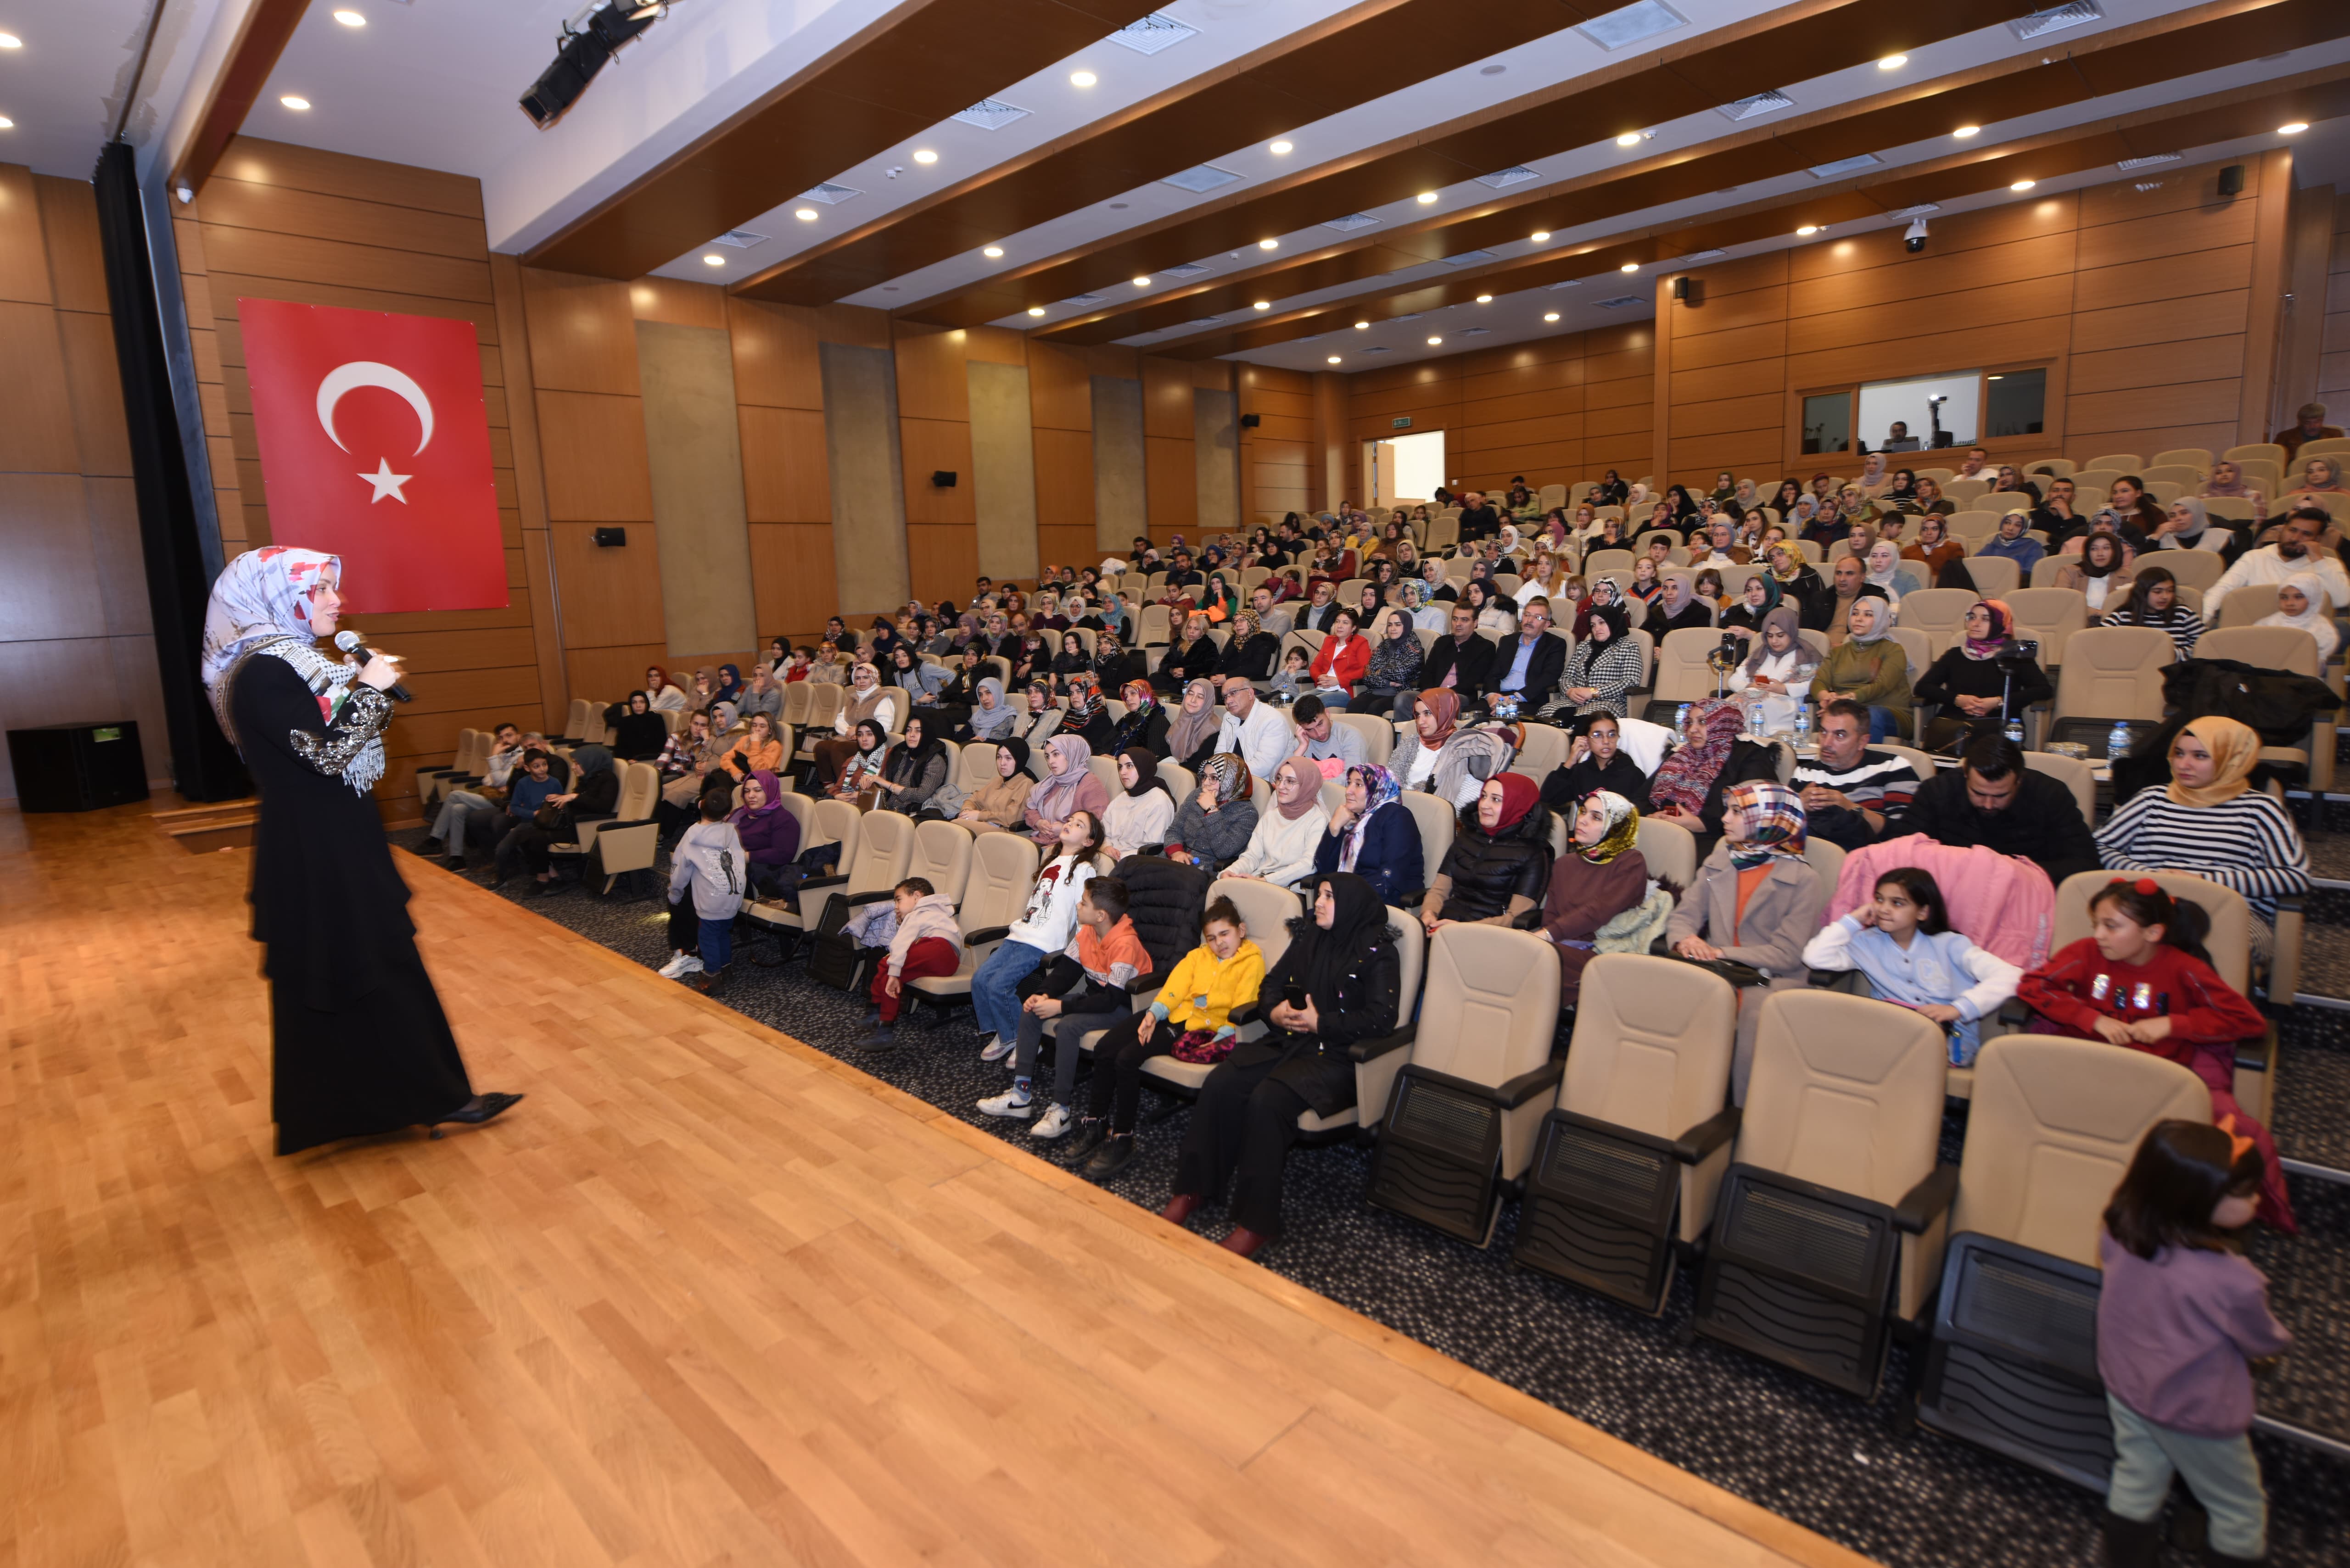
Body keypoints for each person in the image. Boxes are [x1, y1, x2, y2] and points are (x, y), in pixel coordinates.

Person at [200, 547, 520, 1150]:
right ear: (272, 597)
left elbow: (331, 744)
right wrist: (369, 691)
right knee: (364, 973)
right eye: (319, 589)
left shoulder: (292, 665)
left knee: (367, 975)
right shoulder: (264, 672)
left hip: (334, 844)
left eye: (332, 588)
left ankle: (399, 1101)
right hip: (317, 856)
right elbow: (327, 754)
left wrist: (360, 688)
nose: (335, 599)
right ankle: (424, 1099)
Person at [2021, 880, 2294, 1233]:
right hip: (2093, 1067)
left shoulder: (2185, 968)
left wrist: (2173, 1024)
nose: (2100, 935)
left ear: (2153, 932)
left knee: (2234, 1126)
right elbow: (2033, 985)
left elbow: (2246, 1020)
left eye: (2112, 926)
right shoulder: (2086, 952)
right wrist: (2092, 1018)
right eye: (2097, 925)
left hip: (2157, 1075)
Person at [1162, 873, 1402, 1256]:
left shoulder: (1377, 950)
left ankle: (1257, 1223)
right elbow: (1272, 983)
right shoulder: (1310, 935)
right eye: (1318, 894)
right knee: (1222, 1083)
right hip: (1290, 1039)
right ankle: (1194, 1187)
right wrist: (1275, 1011)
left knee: (1267, 1102)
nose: (1318, 902)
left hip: (1339, 1056)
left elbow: (1381, 1018)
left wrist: (1321, 1022)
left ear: (1352, 905)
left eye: (1328, 896)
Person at [2093, 1121, 2292, 1568]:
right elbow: (2262, 1340)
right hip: (2194, 1409)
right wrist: (2280, 1339)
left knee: (2136, 1477)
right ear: (2195, 1200)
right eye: (2243, 1194)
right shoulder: (2232, 1280)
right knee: (2238, 1506)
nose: (2256, 1199)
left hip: (2126, 1386)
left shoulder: (2118, 1230)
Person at [1067, 897, 1266, 1181]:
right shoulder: (1199, 956)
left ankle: (1123, 1138)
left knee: (1127, 1059)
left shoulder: (1252, 962)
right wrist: (1153, 1014)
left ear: (1241, 931)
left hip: (1197, 1027)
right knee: (1106, 1047)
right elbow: (1175, 987)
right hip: (1171, 1014)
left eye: (1225, 934)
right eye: (1211, 938)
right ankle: (1096, 1124)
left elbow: (1244, 1004)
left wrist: (1222, 1038)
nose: (1219, 943)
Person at [1667, 781, 1824, 1100]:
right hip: (1717, 969)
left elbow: (1787, 954)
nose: (1724, 819)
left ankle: (1744, 1112)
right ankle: (1678, 1101)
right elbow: (1684, 917)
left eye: (1737, 812)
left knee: (1753, 1012)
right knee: (1665, 989)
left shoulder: (1805, 879)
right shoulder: (1721, 858)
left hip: (1771, 980)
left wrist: (1719, 951)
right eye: (1728, 810)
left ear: (1769, 819)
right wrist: (1686, 941)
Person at [2096, 717, 2310, 949]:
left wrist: (2203, 881)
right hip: (2152, 905)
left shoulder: (2260, 809)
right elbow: (2099, 846)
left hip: (2227, 910)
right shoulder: (2153, 798)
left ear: (2232, 759)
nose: (2183, 765)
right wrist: (2148, 875)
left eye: (2200, 756)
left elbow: (2294, 876)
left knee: (2189, 944)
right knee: (2114, 934)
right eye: (2179, 753)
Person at [977, 875, 1153, 1138]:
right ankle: (1020, 1096)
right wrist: (1043, 994)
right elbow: (1066, 973)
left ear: (1101, 915)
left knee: (1068, 1026)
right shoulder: (1087, 933)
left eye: (1083, 903)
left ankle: (1061, 1110)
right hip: (1096, 1001)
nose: (1078, 907)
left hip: (1125, 1010)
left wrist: (1060, 1007)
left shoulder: (1125, 944)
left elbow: (1111, 1000)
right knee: (1033, 1008)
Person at [1802, 867, 2021, 1066]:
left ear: (1923, 912)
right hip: (1890, 1032)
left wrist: (1959, 1009)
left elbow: (2012, 976)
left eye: (1897, 903)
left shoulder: (1950, 944)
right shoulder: (1867, 942)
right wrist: (1853, 920)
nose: (1884, 909)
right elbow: (1815, 957)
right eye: (1879, 900)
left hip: (1946, 1040)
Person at [971, 809, 1104, 1062]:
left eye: (1079, 825)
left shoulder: (1084, 869)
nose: (1070, 825)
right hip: (1020, 933)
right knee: (980, 980)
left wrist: (1076, 952)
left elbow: (1082, 914)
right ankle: (1006, 1032)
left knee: (999, 985)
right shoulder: (1051, 860)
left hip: (1042, 942)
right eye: (1069, 821)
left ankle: (1021, 1038)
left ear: (1088, 842)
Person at [1903, 732, 2100, 886]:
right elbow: (1904, 852)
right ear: (1965, 775)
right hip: (1949, 898)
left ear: (2019, 781)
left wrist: (2014, 870)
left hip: (2027, 897)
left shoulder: (2051, 795)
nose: (1988, 805)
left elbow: (2084, 864)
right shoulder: (1937, 791)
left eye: (2000, 796)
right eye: (1979, 793)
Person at [1539, 790, 1649, 1004]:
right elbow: (1550, 915)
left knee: (1532, 960)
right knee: (1517, 954)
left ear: (1616, 826)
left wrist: (1547, 936)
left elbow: (1599, 911)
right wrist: (1547, 936)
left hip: (1605, 950)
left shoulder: (1631, 862)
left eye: (1596, 817)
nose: (1583, 820)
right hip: (1562, 946)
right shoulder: (1565, 863)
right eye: (1583, 812)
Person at [1420, 772, 1550, 934]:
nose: (1484, 805)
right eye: (1484, 796)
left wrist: (1462, 929)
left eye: (1496, 800)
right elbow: (1439, 891)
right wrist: (1429, 914)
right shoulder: (1467, 836)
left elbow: (1516, 917)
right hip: (1447, 924)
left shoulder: (1533, 854)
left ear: (1517, 805)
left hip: (1491, 936)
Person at [1913, 599, 2051, 750]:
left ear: (2001, 624)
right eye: (1972, 617)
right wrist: (1957, 699)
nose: (1975, 623)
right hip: (1953, 727)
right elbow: (1923, 687)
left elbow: (2044, 690)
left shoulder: (2014, 656)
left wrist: (1999, 702)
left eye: (1985, 619)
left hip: (1998, 724)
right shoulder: (1955, 655)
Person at [1644, 697, 1780, 849]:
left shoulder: (1749, 756)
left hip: (1716, 840)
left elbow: (1755, 810)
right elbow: (1641, 798)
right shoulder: (1680, 756)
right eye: (1689, 722)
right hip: (1663, 833)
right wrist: (1651, 817)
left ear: (1723, 723)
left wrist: (1702, 825)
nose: (1692, 729)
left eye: (1702, 722)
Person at [1791, 698, 1920, 851]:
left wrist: (1850, 808)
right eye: (1823, 732)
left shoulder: (1893, 767)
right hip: (1813, 861)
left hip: (1871, 860)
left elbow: (1906, 833)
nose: (1826, 743)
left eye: (1840, 735)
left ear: (1863, 741)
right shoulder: (1805, 773)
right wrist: (1797, 806)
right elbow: (1778, 829)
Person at [660, 789, 747, 996]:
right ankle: (726, 968)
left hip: (711, 898)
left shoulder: (692, 835)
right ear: (728, 814)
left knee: (708, 936)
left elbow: (680, 871)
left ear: (700, 805)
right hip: (734, 894)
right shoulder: (732, 830)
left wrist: (675, 895)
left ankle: (711, 978)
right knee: (724, 932)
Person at [2206, 506, 2347, 618]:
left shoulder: (2329, 565)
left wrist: (2318, 561)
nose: (2296, 538)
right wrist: (2202, 620)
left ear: (2318, 539)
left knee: (2342, 629)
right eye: (2292, 530)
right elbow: (2221, 590)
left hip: (2306, 631)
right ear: (2282, 530)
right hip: (2256, 626)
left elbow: (2342, 600)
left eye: (2306, 534)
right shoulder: (2254, 558)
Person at [1313, 762, 1423, 904]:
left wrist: (1343, 897)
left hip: (1381, 905)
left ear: (1378, 788)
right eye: (1349, 783)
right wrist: (1334, 828)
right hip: (1344, 900)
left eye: (1359, 785)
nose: (1348, 791)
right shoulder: (1350, 818)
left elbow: (1389, 879)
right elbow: (1324, 869)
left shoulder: (1397, 816)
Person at [1219, 757, 1331, 889]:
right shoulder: (1271, 816)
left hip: (1289, 890)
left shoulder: (1317, 820)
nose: (1281, 786)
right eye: (1279, 779)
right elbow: (1251, 857)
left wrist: (1267, 880)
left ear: (1307, 786)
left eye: (1290, 781)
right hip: (1258, 882)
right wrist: (1230, 872)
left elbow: (1308, 865)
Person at [1811, 595, 1911, 741]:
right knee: (1834, 717)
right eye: (1855, 613)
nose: (1859, 619)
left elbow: (1881, 686)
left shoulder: (1894, 650)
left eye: (1868, 615)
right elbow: (1819, 681)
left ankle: (1867, 763)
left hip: (1889, 712)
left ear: (1881, 619)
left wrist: (1846, 700)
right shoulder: (1838, 652)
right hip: (1845, 710)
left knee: (1870, 715)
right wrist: (1826, 698)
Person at [1540, 710, 1655, 814]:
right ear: (1586, 740)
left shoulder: (1632, 774)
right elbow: (1548, 799)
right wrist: (1570, 762)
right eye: (1598, 735)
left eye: (1612, 735)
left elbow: (1641, 813)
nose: (1606, 741)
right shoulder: (1581, 772)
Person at [1725, 606, 1815, 733]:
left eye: (1780, 636)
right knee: (1726, 707)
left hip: (1788, 706)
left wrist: (1784, 689)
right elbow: (1733, 680)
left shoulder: (1805, 655)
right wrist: (1751, 685)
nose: (1774, 641)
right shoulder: (1760, 654)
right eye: (1770, 636)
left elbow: (1815, 685)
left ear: (1792, 632)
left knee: (1757, 706)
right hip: (1756, 700)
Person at [1164, 753, 1259, 874]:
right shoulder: (1196, 795)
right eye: (1204, 776)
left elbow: (1224, 852)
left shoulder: (1247, 813)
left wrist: (1212, 810)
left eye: (1214, 778)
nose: (1206, 783)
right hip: (1175, 861)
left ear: (1230, 780)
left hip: (1204, 871)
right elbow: (1174, 830)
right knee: (1135, 866)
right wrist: (1176, 852)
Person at [1023, 734, 1110, 850]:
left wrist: (1065, 828)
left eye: (1056, 754)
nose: (1051, 762)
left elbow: (1095, 826)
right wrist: (1039, 822)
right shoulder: (1053, 780)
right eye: (1048, 757)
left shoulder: (1091, 785)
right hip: (1041, 842)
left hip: (1070, 848)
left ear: (1072, 754)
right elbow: (1030, 808)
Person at [2100, 567, 2206, 661]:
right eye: (2157, 592)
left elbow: (2205, 645)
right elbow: (2097, 640)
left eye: (2170, 591)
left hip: (2175, 673)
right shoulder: (2122, 615)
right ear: (2142, 593)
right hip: (2131, 670)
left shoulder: (2183, 614)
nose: (2165, 597)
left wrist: (2172, 655)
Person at [1558, 601, 1643, 717]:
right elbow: (1567, 677)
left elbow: (1630, 681)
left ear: (1613, 623)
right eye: (1593, 625)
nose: (1597, 628)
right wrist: (1570, 691)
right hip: (1575, 701)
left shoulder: (1628, 647)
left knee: (1585, 719)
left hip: (1609, 703)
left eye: (1602, 623)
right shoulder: (1584, 646)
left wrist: (1594, 692)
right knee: (1546, 713)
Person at [727, 767, 800, 901]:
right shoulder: (740, 814)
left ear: (770, 791)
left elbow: (783, 854)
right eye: (747, 791)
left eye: (758, 790)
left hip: (752, 872)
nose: (751, 796)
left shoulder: (783, 819)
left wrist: (747, 856)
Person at [1411, 601, 1497, 711]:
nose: (1458, 624)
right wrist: (1429, 691)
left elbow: (1473, 681)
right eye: (1455, 619)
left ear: (1475, 623)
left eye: (1464, 620)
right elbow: (1428, 672)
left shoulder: (1485, 647)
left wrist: (1442, 694)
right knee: (1404, 698)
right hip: (1432, 694)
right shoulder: (1442, 642)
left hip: (1461, 696)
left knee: (1446, 700)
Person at [1208, 680, 1293, 783]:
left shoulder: (1272, 719)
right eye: (1225, 697)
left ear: (1250, 693)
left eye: (1233, 693)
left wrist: (1227, 776)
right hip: (1231, 780)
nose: (1228, 701)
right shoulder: (1229, 717)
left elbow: (1263, 766)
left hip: (1261, 784)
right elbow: (1219, 754)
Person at [1489, 598, 1565, 711]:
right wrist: (1491, 696)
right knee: (1469, 716)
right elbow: (1492, 674)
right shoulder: (1507, 641)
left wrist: (1513, 699)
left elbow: (1549, 678)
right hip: (1499, 697)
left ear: (1546, 625)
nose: (1530, 620)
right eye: (1527, 615)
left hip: (1528, 700)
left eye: (1537, 617)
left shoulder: (1555, 644)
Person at [872, 712, 951, 816]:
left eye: (918, 731)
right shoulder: (901, 753)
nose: (912, 735)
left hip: (912, 814)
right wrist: (870, 786)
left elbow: (921, 795)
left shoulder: (935, 760)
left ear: (927, 734)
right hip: (888, 810)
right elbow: (883, 784)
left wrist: (889, 785)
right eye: (909, 730)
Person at [1102, 747, 1176, 859]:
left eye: (1129, 766)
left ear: (1143, 768)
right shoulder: (1122, 798)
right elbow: (1104, 830)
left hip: (1135, 862)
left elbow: (1152, 848)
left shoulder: (1159, 802)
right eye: (1120, 767)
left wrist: (1116, 857)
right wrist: (1106, 847)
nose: (1123, 772)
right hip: (1109, 856)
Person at [955, 738, 1036, 835]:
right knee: (956, 826)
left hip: (1005, 832)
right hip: (987, 826)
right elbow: (974, 799)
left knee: (956, 827)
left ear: (1019, 760)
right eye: (999, 757)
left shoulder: (1026, 784)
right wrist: (966, 811)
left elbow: (1011, 818)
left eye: (1008, 758)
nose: (1002, 763)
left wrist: (980, 816)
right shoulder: (998, 780)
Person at [1358, 601, 1427, 714]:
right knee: (1355, 704)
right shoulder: (1383, 645)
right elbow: (1367, 675)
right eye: (1390, 625)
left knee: (1375, 708)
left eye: (1398, 625)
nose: (1393, 628)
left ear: (1407, 625)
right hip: (1376, 691)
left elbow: (1400, 674)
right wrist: (1388, 682)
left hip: (1399, 693)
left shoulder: (1415, 648)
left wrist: (1379, 672)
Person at [2257, 573, 2339, 661]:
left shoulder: (2324, 630)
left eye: (2299, 597)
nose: (2290, 603)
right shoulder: (2266, 624)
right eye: (2284, 598)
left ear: (2312, 598)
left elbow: (2318, 664)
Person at [2053, 532, 2133, 614]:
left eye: (2106, 548)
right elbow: (2061, 603)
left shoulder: (2125, 575)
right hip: (2076, 624)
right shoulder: (2069, 572)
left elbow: (2129, 608)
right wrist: (2098, 613)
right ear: (2087, 552)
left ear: (2115, 551)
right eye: (2094, 549)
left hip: (2112, 625)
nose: (2100, 554)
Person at [1308, 607, 1371, 706]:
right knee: (1299, 701)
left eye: (1345, 623)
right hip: (1323, 688)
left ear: (1354, 628)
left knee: (1314, 704)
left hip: (1345, 691)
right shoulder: (1329, 641)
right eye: (1338, 622)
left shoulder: (1361, 643)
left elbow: (1365, 670)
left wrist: (1338, 680)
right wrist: (1319, 677)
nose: (1340, 626)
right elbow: (1315, 666)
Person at [1163, 678, 1220, 768]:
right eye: (1190, 694)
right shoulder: (1181, 720)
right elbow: (1165, 753)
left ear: (1208, 701)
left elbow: (1199, 765)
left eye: (1200, 697)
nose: (1193, 700)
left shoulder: (1214, 730)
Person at [607, 690, 670, 761]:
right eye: (634, 703)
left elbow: (661, 744)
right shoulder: (625, 722)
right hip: (630, 760)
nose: (638, 706)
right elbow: (620, 747)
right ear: (631, 705)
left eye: (642, 702)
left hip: (650, 759)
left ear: (647, 704)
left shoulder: (656, 719)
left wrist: (640, 758)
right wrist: (628, 759)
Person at [2273, 399, 2342, 463]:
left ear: (2322, 420)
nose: (2312, 427)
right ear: (2300, 423)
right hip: (2296, 472)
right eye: (2307, 423)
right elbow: (2276, 461)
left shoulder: (2334, 435)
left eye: (2316, 422)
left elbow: (2340, 459)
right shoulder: (2284, 437)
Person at [1979, 509, 2046, 572]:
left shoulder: (2033, 547)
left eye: (2017, 525)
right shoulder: (1993, 545)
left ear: (2024, 528)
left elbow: (2031, 574)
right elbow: (1975, 565)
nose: (2010, 528)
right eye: (2007, 523)